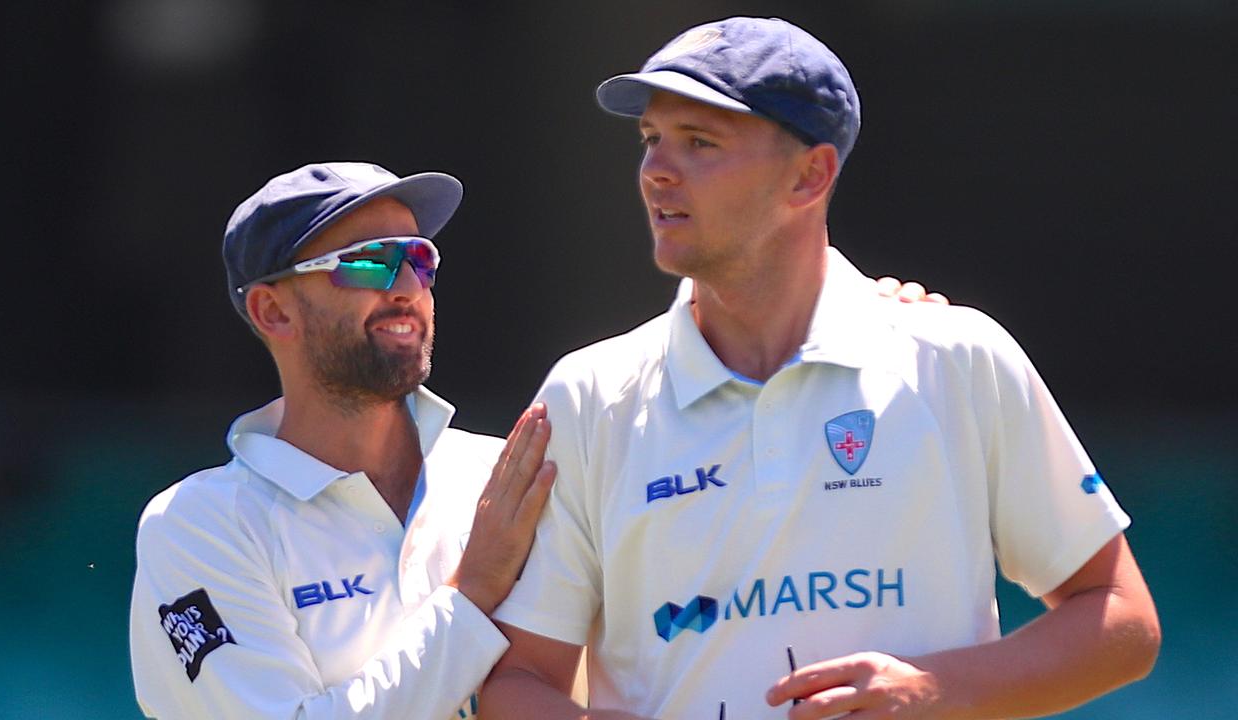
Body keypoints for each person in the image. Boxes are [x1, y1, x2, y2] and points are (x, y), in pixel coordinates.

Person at [482, 16, 1160, 720]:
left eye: (699, 143)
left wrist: (931, 690)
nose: (655, 170)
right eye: (652, 139)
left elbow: (1122, 623)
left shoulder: (959, 360)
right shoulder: (589, 396)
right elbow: (515, 680)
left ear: (810, 176)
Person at [128, 162, 558, 719]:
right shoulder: (200, 524)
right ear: (273, 311)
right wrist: (473, 590)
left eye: (418, 259)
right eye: (370, 263)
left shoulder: (505, 474)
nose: (407, 288)